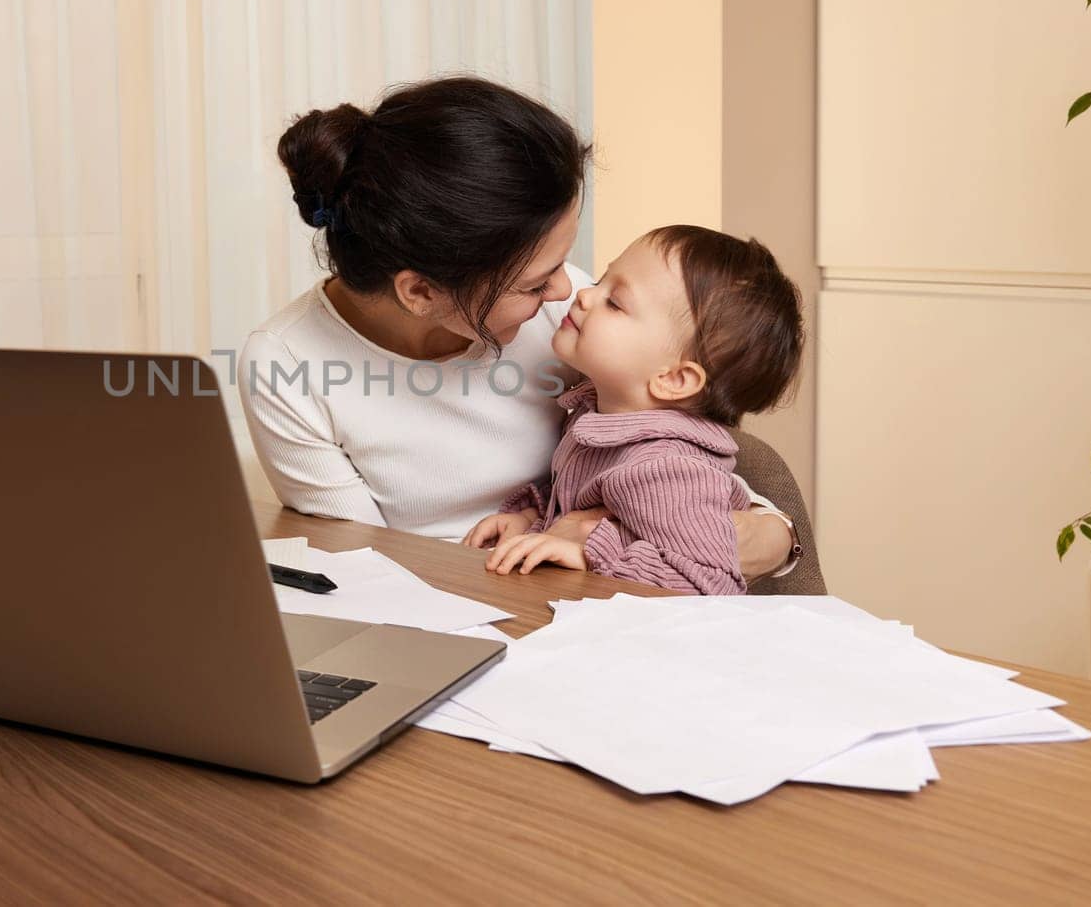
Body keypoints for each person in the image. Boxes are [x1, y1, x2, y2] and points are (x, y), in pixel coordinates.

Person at [238, 76, 797, 577]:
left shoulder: (569, 319)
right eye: (534, 283)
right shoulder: (285, 366)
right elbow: (365, 572)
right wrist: (544, 525)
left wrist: (772, 535)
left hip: (586, 603)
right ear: (421, 292)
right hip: (442, 620)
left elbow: (682, 470)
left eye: (564, 263)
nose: (567, 290)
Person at [469, 226, 804, 594]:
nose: (583, 295)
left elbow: (708, 582)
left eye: (614, 303)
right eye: (600, 281)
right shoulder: (597, 415)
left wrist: (591, 555)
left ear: (675, 379)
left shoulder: (667, 469)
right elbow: (582, 506)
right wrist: (532, 521)